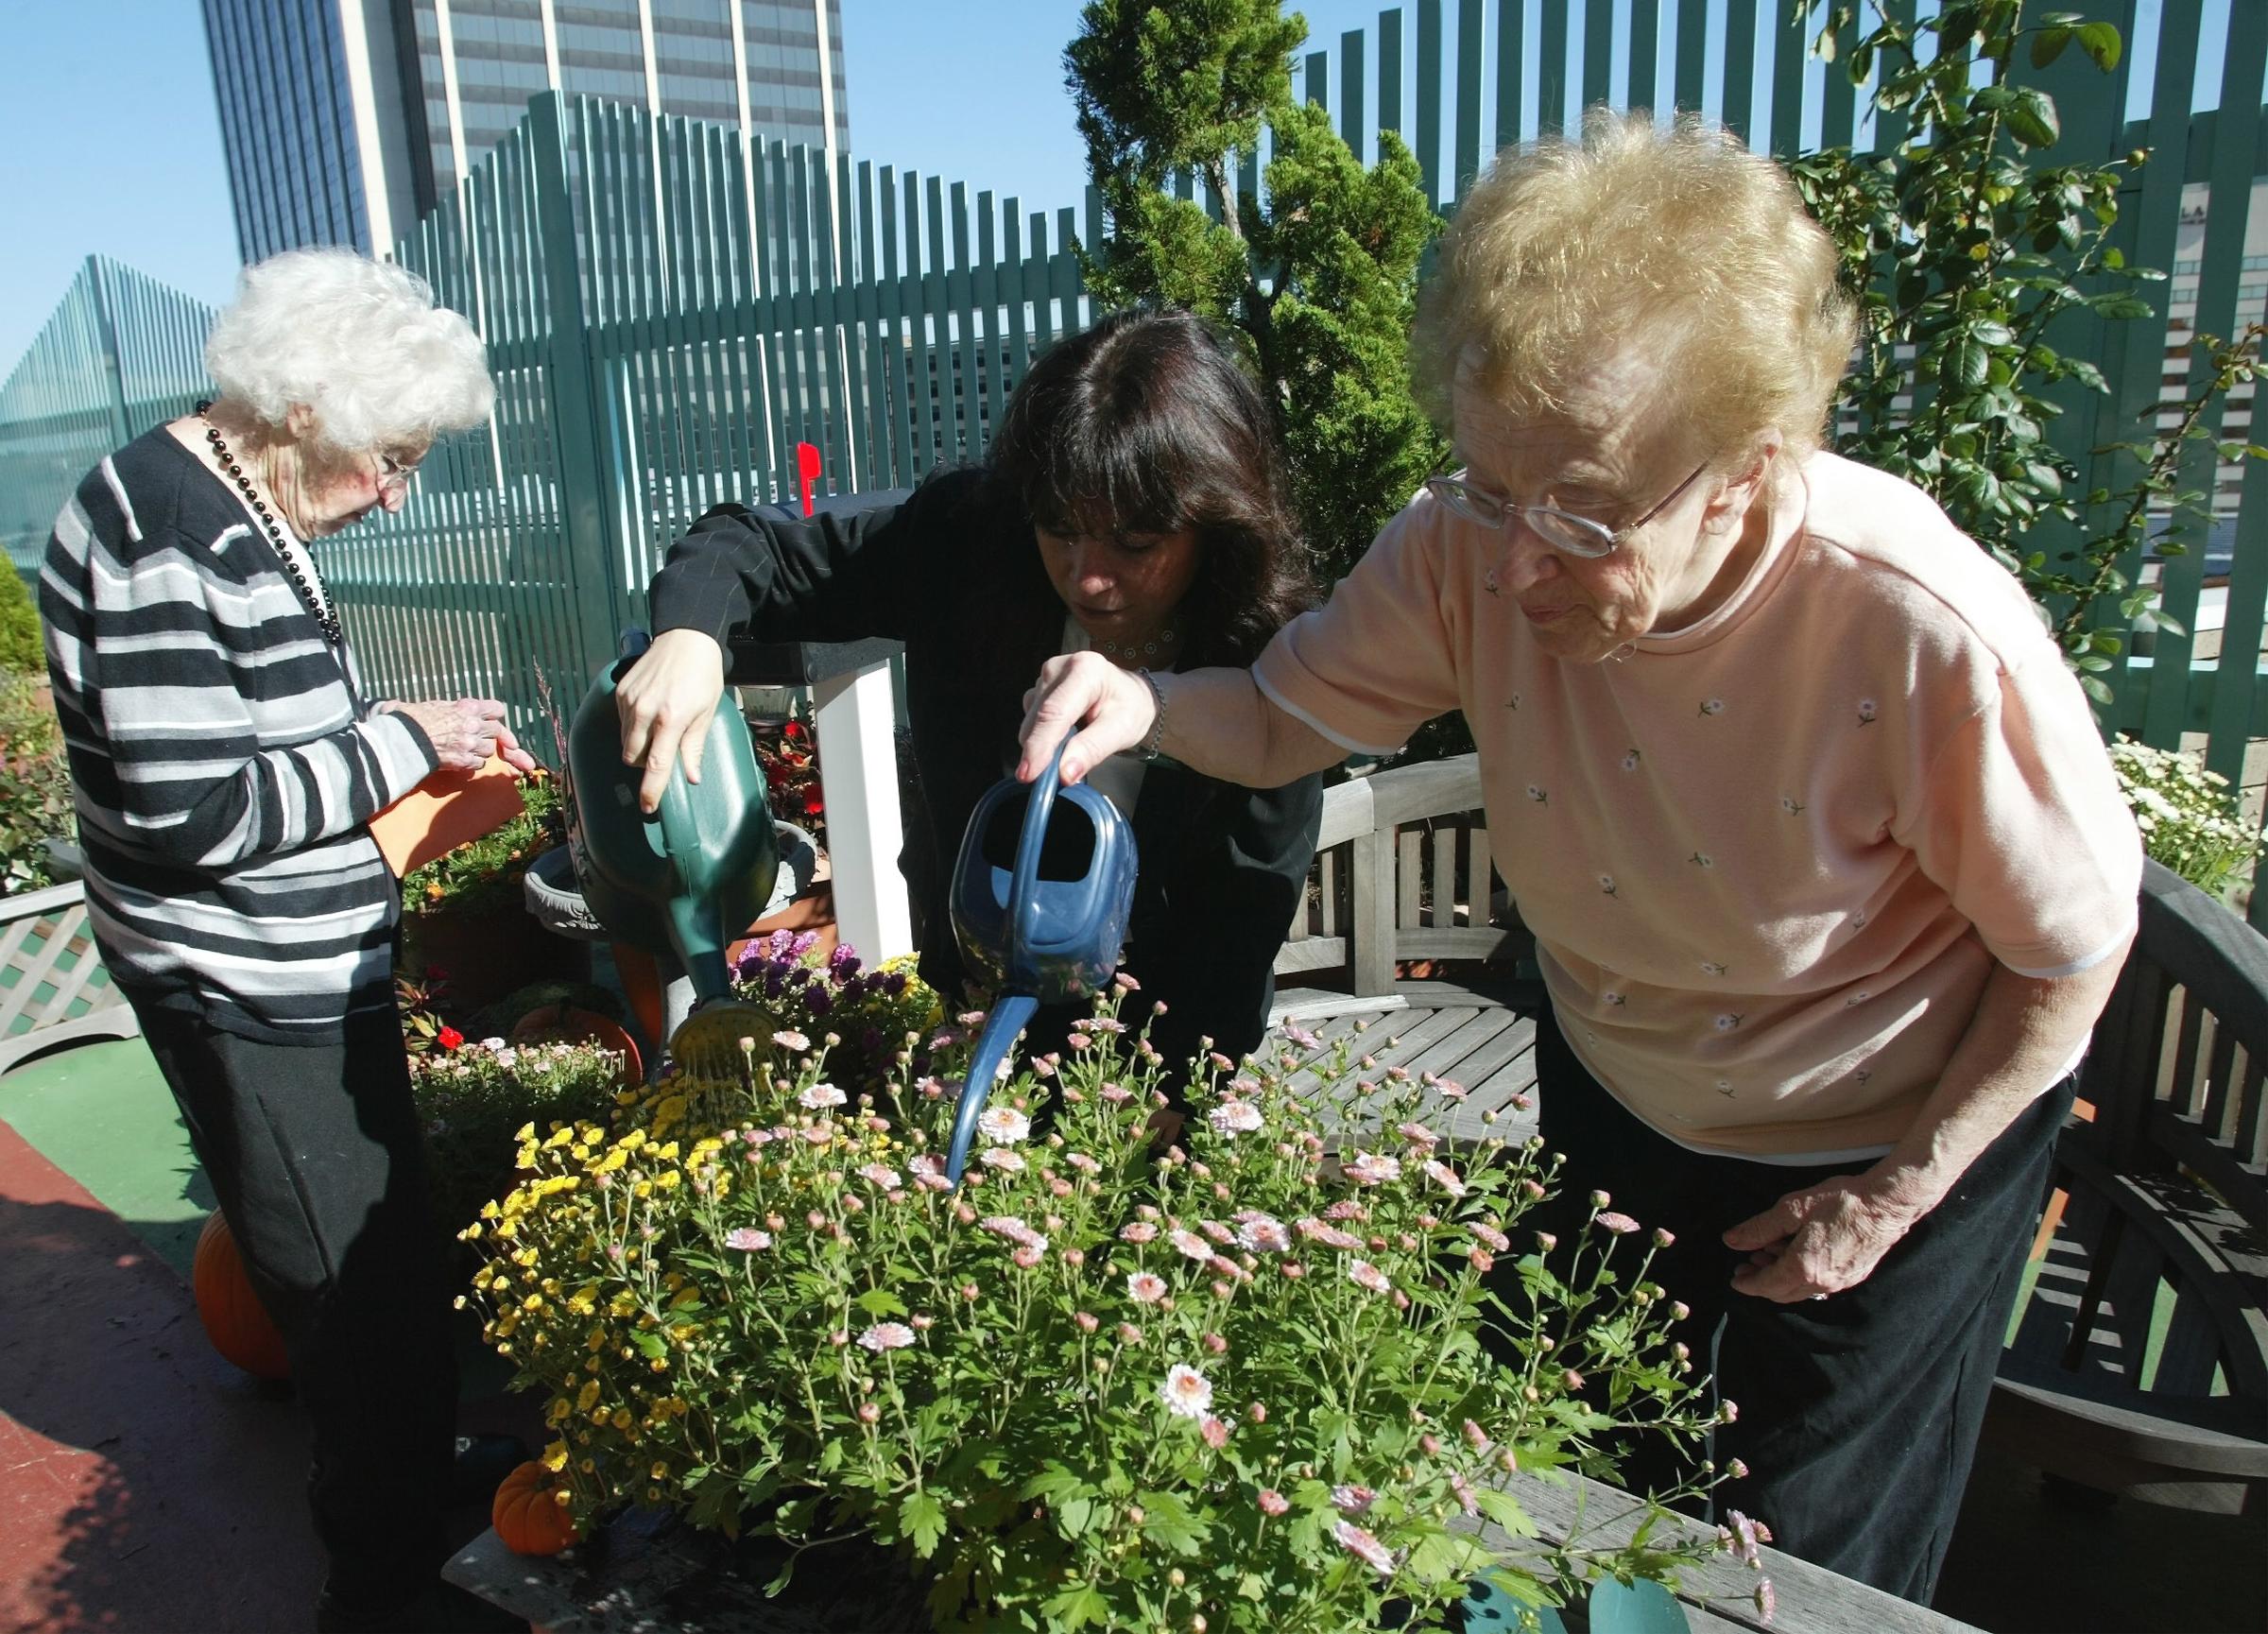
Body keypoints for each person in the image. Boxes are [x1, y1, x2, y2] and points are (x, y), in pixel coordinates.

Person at [1014, 115, 2142, 1603]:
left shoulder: (1917, 630)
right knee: (1592, 1504)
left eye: (1587, 514)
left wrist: (1900, 1192)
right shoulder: (1465, 549)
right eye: (1492, 486)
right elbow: (1290, 711)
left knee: (1796, 1578)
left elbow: (2071, 947)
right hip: (1622, 1086)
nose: (1520, 563)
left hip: (1882, 1137)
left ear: (1752, 467)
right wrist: (1147, 703)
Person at [40, 249, 532, 1633]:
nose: (396, 492)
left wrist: (393, 761)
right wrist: (400, 745)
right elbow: (195, 811)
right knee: (349, 1296)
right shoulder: (159, 532)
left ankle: (409, 1486)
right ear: (311, 408)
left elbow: (247, 742)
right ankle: (377, 1589)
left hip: (305, 963)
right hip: (245, 986)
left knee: (380, 1253)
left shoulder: (241, 501)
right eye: (395, 455)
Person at [614, 307, 1325, 1094]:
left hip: (1159, 1037)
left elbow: (1253, 894)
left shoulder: (1265, 650)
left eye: (1133, 542)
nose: (1089, 576)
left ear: (1213, 522)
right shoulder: (968, 541)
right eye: (1061, 529)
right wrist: (689, 637)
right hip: (976, 1000)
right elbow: (754, 543)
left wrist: (1184, 1084)